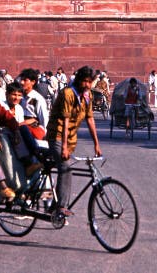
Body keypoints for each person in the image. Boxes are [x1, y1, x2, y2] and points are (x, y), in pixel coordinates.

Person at [45, 65, 102, 217]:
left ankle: (54, 205)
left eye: (90, 82)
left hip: (71, 138)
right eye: (85, 81)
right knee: (66, 168)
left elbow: (90, 119)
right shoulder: (68, 94)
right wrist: (63, 147)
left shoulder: (87, 95)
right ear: (78, 80)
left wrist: (96, 143)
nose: (88, 85)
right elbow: (65, 121)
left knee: (64, 170)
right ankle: (61, 207)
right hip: (56, 135)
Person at [18, 68, 49, 140]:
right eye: (21, 80)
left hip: (34, 132)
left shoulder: (38, 99)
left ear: (33, 82)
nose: (22, 82)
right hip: (19, 129)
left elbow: (44, 120)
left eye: (25, 80)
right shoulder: (19, 97)